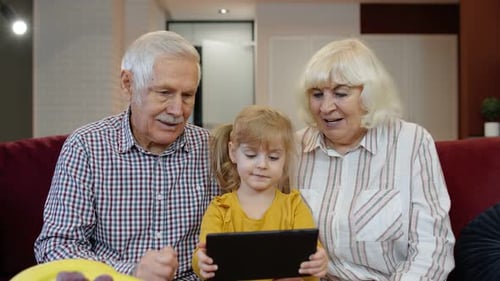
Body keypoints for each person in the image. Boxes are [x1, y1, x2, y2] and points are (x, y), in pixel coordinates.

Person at [34, 30, 220, 281]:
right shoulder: (86, 147)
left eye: (187, 95)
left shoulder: (212, 149)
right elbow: (55, 246)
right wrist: (131, 272)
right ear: (127, 84)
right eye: (164, 93)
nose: (178, 110)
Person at [294, 38, 455, 281]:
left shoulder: (411, 142)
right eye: (317, 94)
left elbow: (432, 247)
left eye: (340, 93)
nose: (326, 107)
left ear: (369, 95)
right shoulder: (294, 148)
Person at [192, 105, 328, 281]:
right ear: (233, 153)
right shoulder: (220, 208)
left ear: (285, 158)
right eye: (250, 155)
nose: (262, 165)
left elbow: (311, 263)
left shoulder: (294, 205)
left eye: (273, 157)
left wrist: (317, 262)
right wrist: (201, 262)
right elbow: (201, 255)